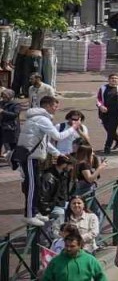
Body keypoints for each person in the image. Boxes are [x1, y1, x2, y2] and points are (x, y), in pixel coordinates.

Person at [17, 95, 84, 225]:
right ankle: (29, 214)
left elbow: (45, 142)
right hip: (30, 156)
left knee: (36, 184)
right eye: (54, 106)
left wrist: (58, 153)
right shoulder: (42, 119)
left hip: (34, 155)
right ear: (47, 106)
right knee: (32, 185)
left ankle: (35, 212)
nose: (56, 108)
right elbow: (57, 136)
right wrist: (73, 128)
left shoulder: (40, 119)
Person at [41, 230, 106, 281]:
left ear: (80, 245)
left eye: (72, 246)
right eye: (67, 246)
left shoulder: (90, 260)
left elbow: (101, 277)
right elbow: (47, 278)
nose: (68, 249)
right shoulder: (55, 262)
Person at [94, 73, 118, 155]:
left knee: (111, 130)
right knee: (108, 129)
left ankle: (107, 147)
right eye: (112, 78)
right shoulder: (103, 88)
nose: (114, 80)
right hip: (104, 112)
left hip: (116, 113)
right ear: (109, 79)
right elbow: (99, 99)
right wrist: (101, 106)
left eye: (116, 78)